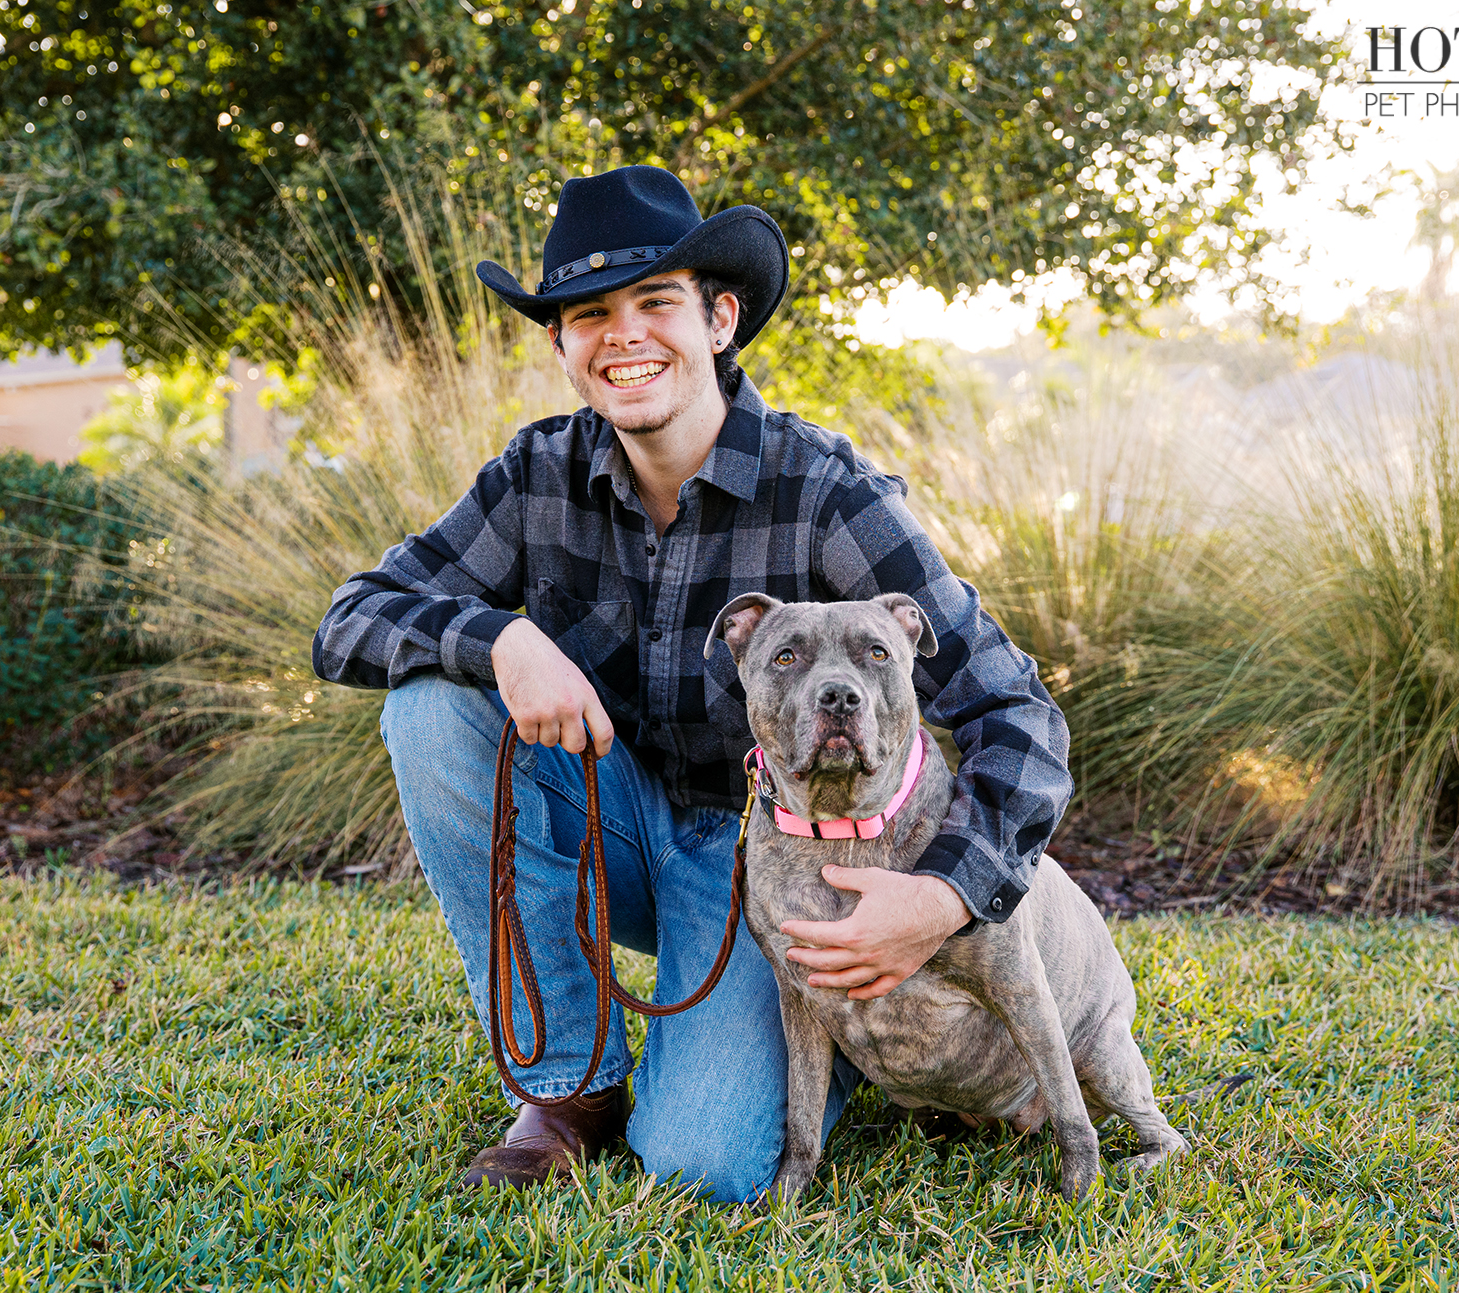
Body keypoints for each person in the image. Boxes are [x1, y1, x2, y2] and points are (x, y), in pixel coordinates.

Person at [312, 165, 1072, 1204]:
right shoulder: (534, 478)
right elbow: (348, 620)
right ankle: (570, 1092)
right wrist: (501, 642)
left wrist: (940, 894)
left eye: (654, 303)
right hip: (616, 826)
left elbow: (1011, 713)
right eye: (590, 315)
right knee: (432, 709)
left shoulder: (822, 493)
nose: (624, 336)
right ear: (562, 346)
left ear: (717, 319)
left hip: (783, 865)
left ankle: (829, 1025)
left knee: (702, 1165)